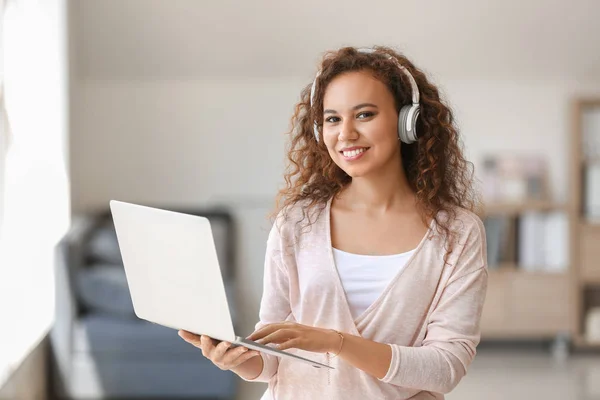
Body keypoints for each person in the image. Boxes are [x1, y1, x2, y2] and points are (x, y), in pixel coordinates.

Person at [179, 45, 488, 399]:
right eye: (332, 119)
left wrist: (335, 343)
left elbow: (445, 367)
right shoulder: (297, 223)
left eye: (365, 114)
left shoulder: (457, 233)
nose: (346, 134)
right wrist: (234, 359)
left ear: (408, 122)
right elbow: (270, 361)